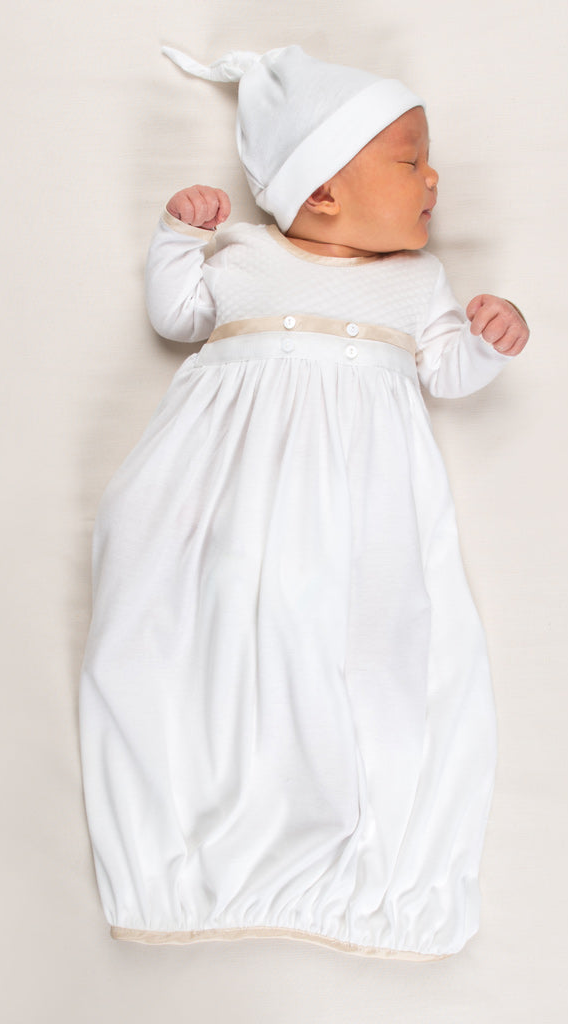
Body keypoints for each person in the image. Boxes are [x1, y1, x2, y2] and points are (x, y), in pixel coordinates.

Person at [79, 45, 529, 961]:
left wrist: (487, 340)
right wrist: (178, 238)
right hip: (222, 485)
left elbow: (444, 371)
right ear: (320, 191)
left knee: (366, 645)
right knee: (213, 619)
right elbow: (177, 317)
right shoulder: (243, 255)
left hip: (360, 502)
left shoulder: (417, 284)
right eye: (411, 159)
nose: (435, 177)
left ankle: (365, 877)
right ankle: (184, 860)